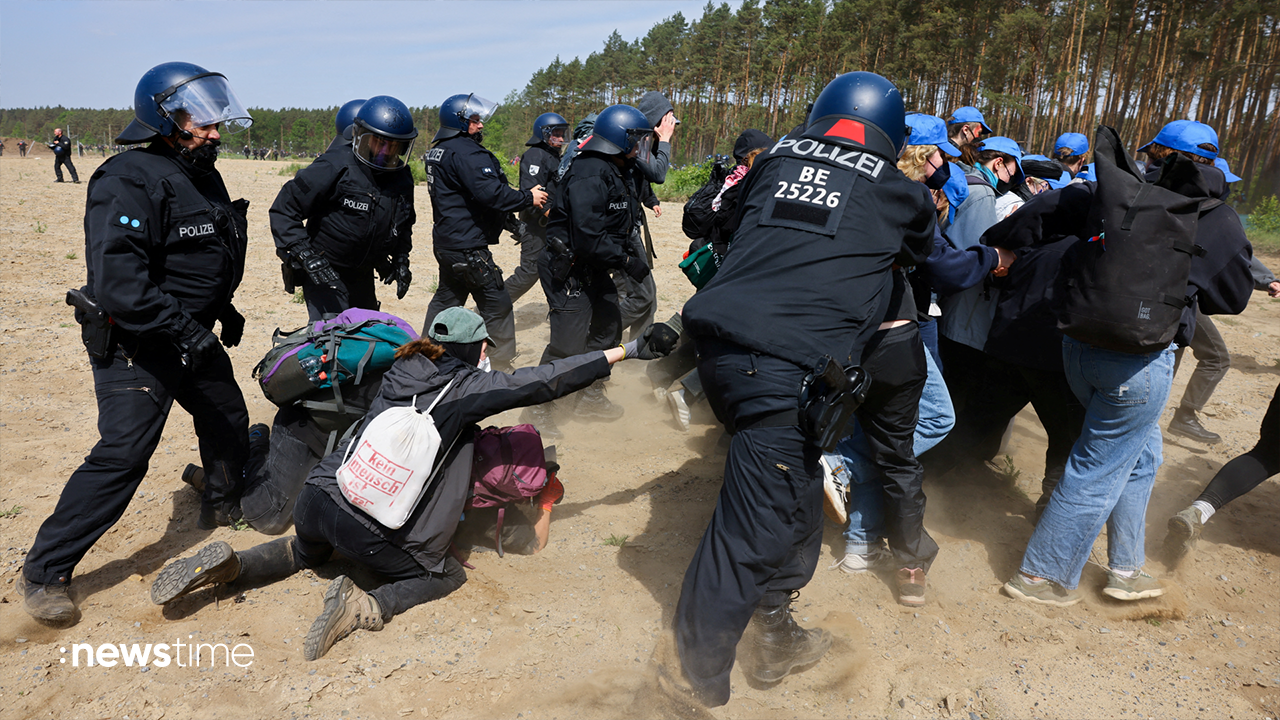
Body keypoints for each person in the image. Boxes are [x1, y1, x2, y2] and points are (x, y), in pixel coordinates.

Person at [150, 307, 676, 660]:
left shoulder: (397, 368)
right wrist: (625, 351)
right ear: (474, 351)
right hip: (370, 535)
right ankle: (366, 607)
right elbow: (545, 380)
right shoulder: (469, 388)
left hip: (316, 499)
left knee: (307, 551)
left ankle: (235, 565)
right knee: (446, 573)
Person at [673, 72, 935, 706]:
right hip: (781, 367)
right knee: (751, 527)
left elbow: (730, 220)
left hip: (717, 350)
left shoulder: (779, 156)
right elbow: (922, 252)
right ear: (892, 134)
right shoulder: (903, 193)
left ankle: (774, 633)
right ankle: (688, 681)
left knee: (791, 492)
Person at [19, 62, 254, 626]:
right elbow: (121, 285)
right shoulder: (126, 178)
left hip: (190, 335)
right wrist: (185, 330)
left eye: (218, 121)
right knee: (124, 454)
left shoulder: (200, 171)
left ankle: (220, 501)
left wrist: (223, 308)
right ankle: (45, 570)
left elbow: (200, 254)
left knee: (228, 416)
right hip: (139, 341)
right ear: (164, 117)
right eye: (204, 123)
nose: (215, 133)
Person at [1003, 125, 1254, 608]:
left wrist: (1004, 244)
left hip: (1079, 346)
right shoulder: (1218, 217)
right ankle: (1040, 577)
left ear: (1157, 156)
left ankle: (1125, 568)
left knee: (1140, 457)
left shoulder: (1115, 190)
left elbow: (1043, 213)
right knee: (1098, 465)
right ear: (1209, 164)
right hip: (1140, 361)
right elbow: (1234, 297)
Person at [522, 104, 655, 437]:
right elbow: (588, 237)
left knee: (608, 325)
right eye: (636, 140)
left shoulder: (615, 169)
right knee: (566, 344)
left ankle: (590, 396)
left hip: (592, 265)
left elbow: (615, 225)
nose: (640, 148)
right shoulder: (590, 172)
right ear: (618, 140)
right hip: (568, 268)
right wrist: (626, 263)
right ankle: (537, 411)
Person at [423, 94, 548, 371]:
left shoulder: (438, 151)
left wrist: (508, 223)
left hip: (446, 242)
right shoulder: (467, 153)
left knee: (446, 299)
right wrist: (528, 198)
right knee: (498, 305)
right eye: (475, 121)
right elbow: (491, 193)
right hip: (468, 246)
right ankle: (501, 367)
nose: (481, 126)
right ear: (459, 122)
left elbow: (466, 199)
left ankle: (425, 358)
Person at [270, 95, 417, 321]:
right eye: (379, 142)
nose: (385, 152)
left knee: (366, 334)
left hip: (363, 273)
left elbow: (404, 222)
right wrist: (305, 254)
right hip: (324, 270)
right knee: (332, 337)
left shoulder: (402, 177)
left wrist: (400, 258)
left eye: (394, 145)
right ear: (361, 137)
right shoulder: (334, 165)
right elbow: (284, 209)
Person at [506, 112, 570, 303]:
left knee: (562, 268)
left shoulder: (556, 157)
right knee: (528, 273)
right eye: (555, 134)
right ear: (543, 135)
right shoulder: (535, 155)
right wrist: (556, 216)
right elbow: (533, 193)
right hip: (537, 226)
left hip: (553, 224)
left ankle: (565, 311)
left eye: (562, 134)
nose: (560, 139)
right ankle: (492, 306)